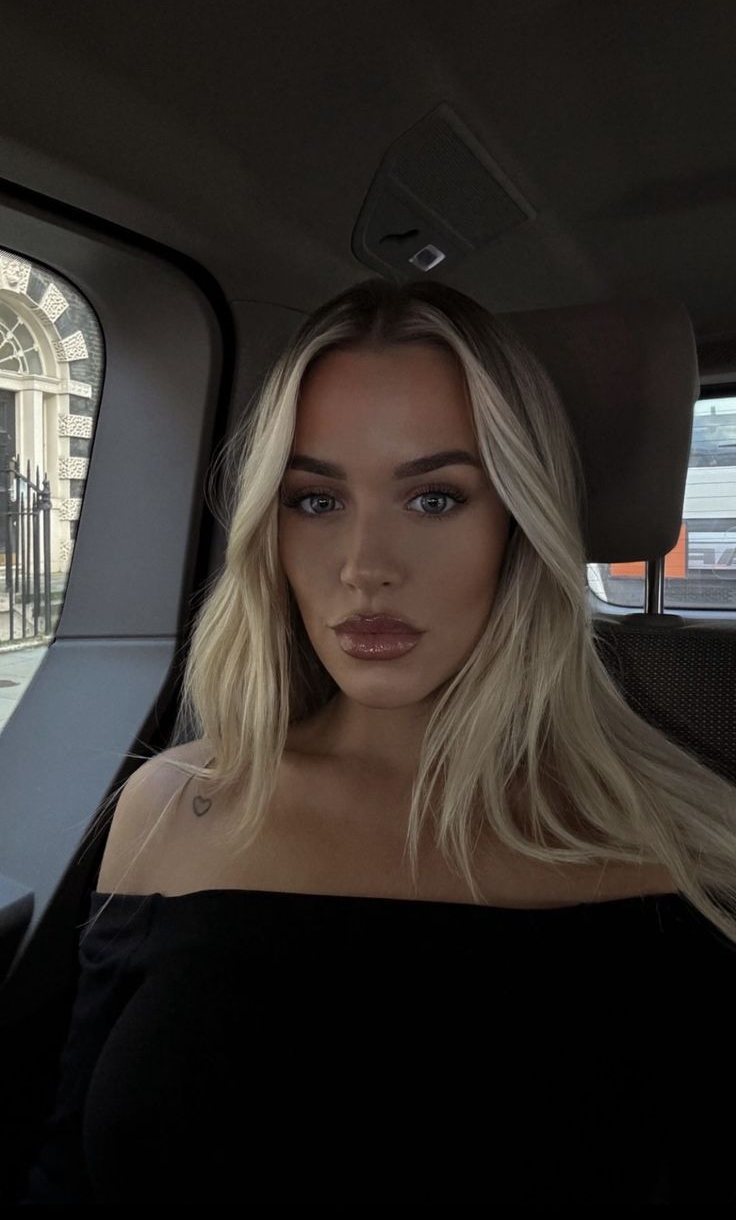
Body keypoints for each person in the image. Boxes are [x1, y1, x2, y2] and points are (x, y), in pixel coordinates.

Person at [17, 278, 736, 1205]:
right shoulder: (174, 803)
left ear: (520, 522)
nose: (365, 568)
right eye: (315, 501)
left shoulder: (692, 849)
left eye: (435, 500)